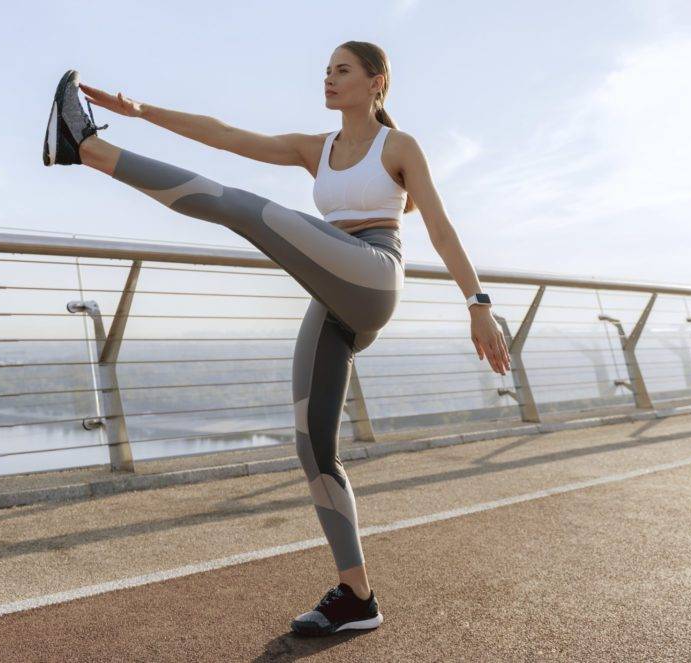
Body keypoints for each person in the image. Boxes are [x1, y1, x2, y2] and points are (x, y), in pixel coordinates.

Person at [43, 40, 511, 636]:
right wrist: (140, 109)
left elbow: (440, 227)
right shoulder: (314, 149)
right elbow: (224, 135)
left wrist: (478, 304)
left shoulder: (398, 146)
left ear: (376, 83)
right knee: (313, 447)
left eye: (343, 70)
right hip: (334, 296)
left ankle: (84, 148)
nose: (329, 78)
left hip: (373, 275)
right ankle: (356, 596)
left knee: (243, 208)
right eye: (327, 70)